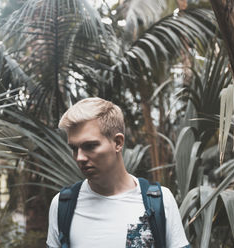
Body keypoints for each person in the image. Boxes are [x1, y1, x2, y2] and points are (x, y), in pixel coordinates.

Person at [46, 97, 189, 248]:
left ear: (118, 143)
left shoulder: (159, 201)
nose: (79, 157)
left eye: (90, 146)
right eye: (74, 148)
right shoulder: (63, 204)